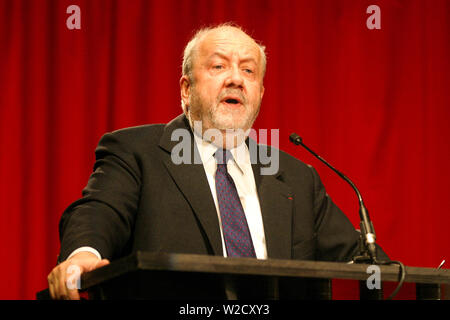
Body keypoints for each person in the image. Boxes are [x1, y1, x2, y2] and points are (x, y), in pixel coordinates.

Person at [47, 23, 388, 300]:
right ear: (186, 88)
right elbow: (98, 212)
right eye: (219, 66)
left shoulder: (297, 178)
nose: (236, 79)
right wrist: (83, 255)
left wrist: (396, 280)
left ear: (260, 93)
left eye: (249, 71)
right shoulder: (137, 152)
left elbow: (364, 265)